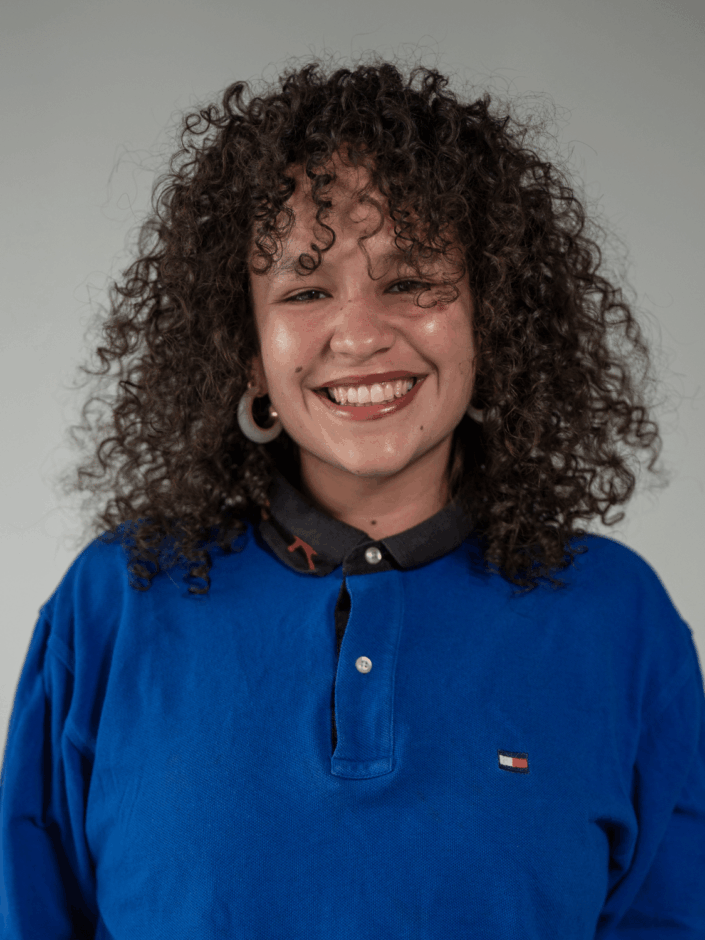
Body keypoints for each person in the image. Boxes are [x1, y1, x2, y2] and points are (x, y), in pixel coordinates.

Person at [1, 59, 704, 939]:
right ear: (248, 351)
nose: (362, 334)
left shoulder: (617, 616)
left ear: (491, 320)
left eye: (408, 281)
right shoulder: (117, 601)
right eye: (304, 289)